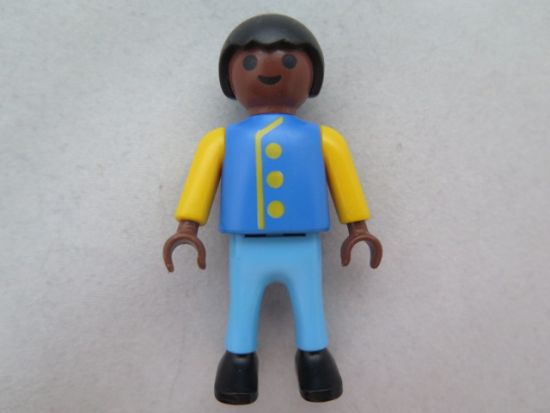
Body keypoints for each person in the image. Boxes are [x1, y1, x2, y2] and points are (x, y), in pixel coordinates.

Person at [163, 14, 382, 404]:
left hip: (303, 245)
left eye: (290, 61)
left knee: (310, 306)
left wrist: (358, 228)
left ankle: (315, 362)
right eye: (248, 62)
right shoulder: (221, 141)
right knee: (242, 307)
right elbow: (201, 182)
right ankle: (238, 365)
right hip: (247, 247)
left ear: (312, 77)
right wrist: (187, 227)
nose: (266, 70)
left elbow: (345, 182)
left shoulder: (324, 139)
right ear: (230, 78)